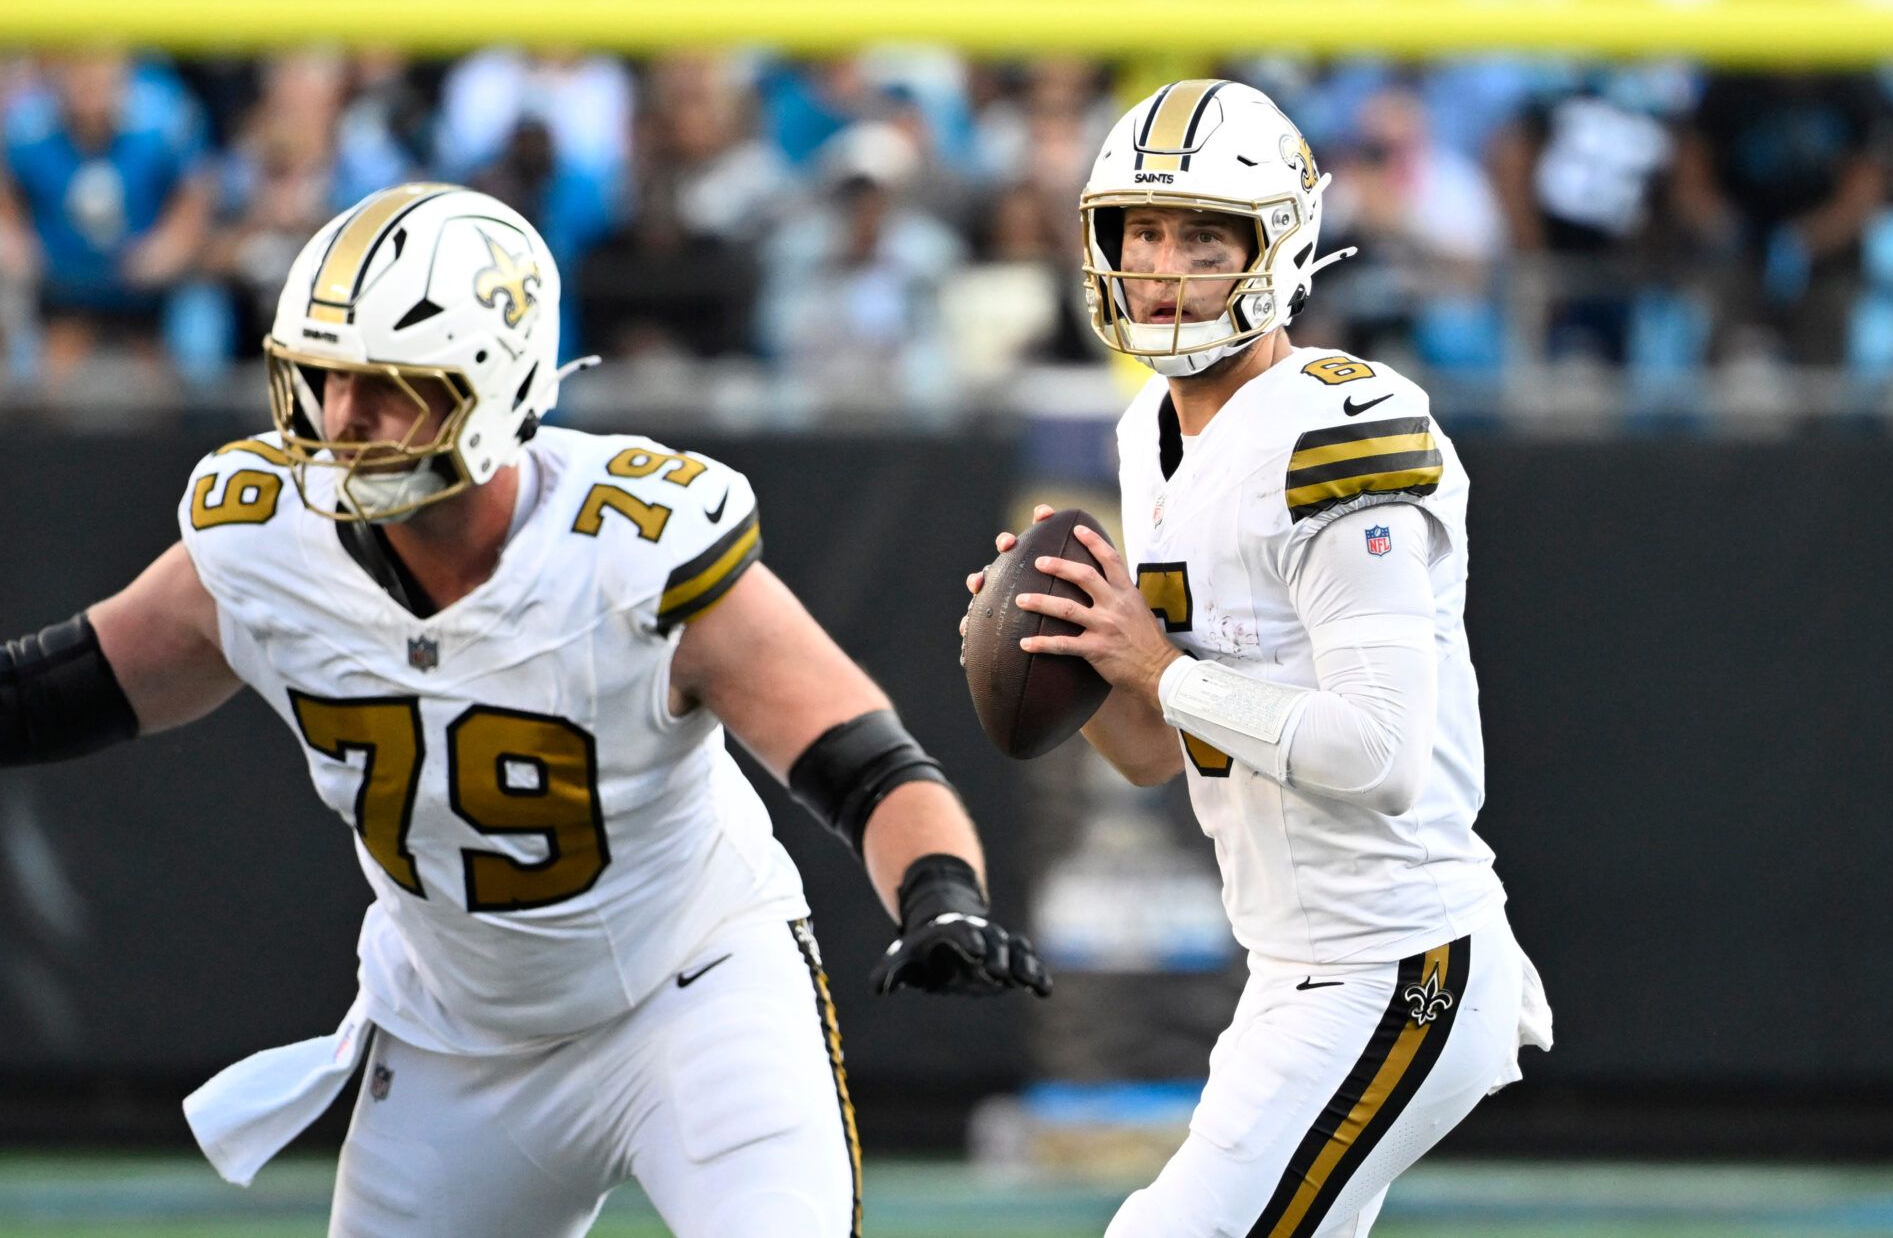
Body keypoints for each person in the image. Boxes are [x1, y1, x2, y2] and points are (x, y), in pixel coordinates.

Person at [2, 183, 1048, 1238]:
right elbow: (63, 687)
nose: (343, 416)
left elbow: (866, 761)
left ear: (494, 387)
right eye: (325, 376)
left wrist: (940, 894)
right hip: (454, 1035)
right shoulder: (269, 540)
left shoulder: (632, 550)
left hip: (693, 993)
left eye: (388, 386)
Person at [964, 80, 1551, 1237]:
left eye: (1202, 238)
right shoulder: (1148, 431)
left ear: (1275, 248)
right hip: (1292, 967)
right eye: (1142, 232)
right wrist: (1076, 647)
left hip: (1401, 963)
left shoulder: (1339, 424)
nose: (1163, 267)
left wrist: (1156, 664)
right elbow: (1155, 754)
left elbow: (1379, 753)